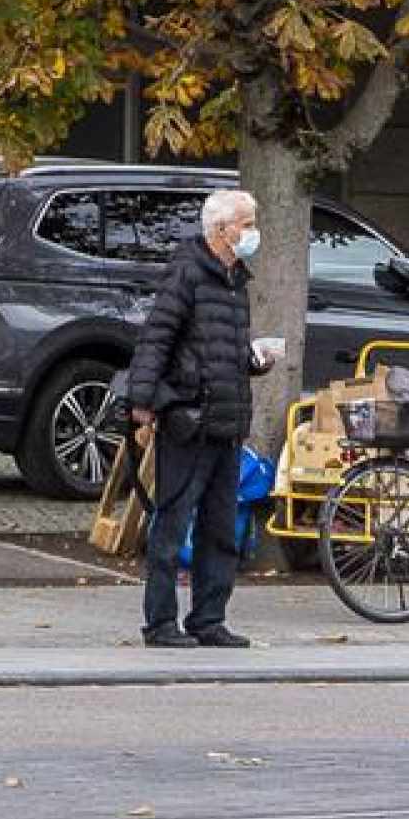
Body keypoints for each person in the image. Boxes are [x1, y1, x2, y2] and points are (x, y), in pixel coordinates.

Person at [128, 188, 281, 650]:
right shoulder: (188, 273)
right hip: (191, 418)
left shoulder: (237, 281)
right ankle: (159, 622)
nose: (253, 232)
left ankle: (209, 617)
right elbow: (157, 336)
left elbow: (225, 349)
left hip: (228, 420)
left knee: (220, 527)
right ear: (221, 229)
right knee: (173, 522)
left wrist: (255, 361)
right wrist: (143, 400)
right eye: (247, 224)